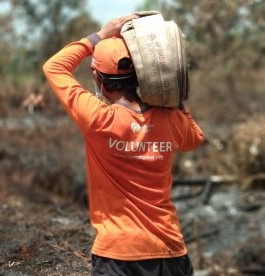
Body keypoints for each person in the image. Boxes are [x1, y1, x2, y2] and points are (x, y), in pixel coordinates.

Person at [42, 14, 204, 276]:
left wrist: (99, 36)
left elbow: (54, 67)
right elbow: (195, 139)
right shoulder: (169, 117)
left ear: (98, 79)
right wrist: (175, 100)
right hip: (170, 250)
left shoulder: (99, 119)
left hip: (118, 255)